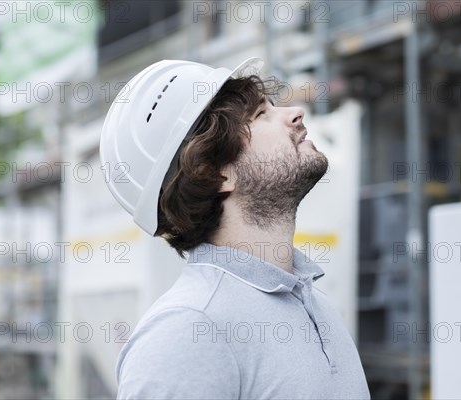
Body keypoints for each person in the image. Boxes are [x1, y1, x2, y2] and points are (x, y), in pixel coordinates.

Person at [100, 58, 370, 399]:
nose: (296, 113)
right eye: (260, 116)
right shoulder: (187, 331)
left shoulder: (314, 301)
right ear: (215, 173)